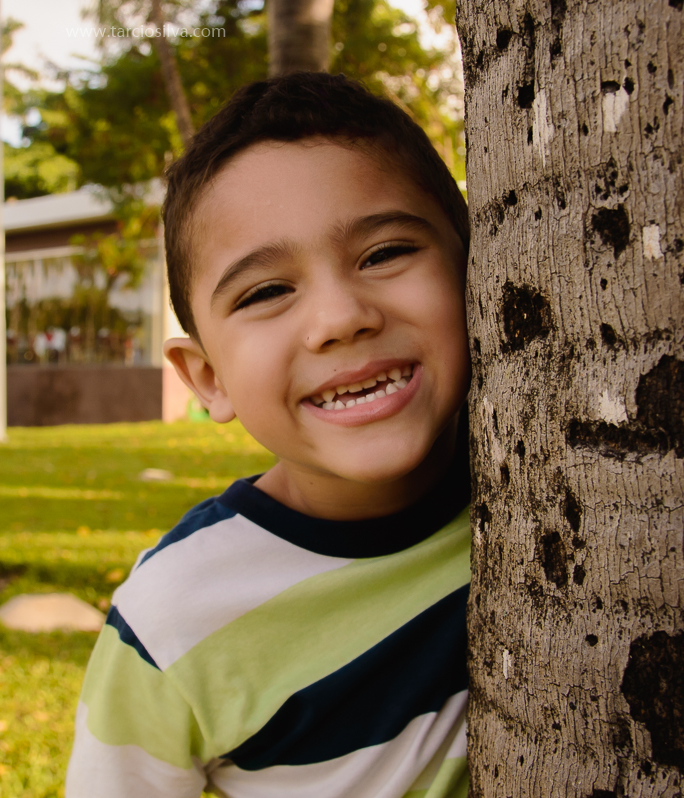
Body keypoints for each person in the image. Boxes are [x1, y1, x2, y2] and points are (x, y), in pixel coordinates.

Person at [66, 71, 472, 797]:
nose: (340, 318)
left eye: (385, 253)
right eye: (266, 292)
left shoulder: (562, 485)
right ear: (208, 378)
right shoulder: (174, 617)